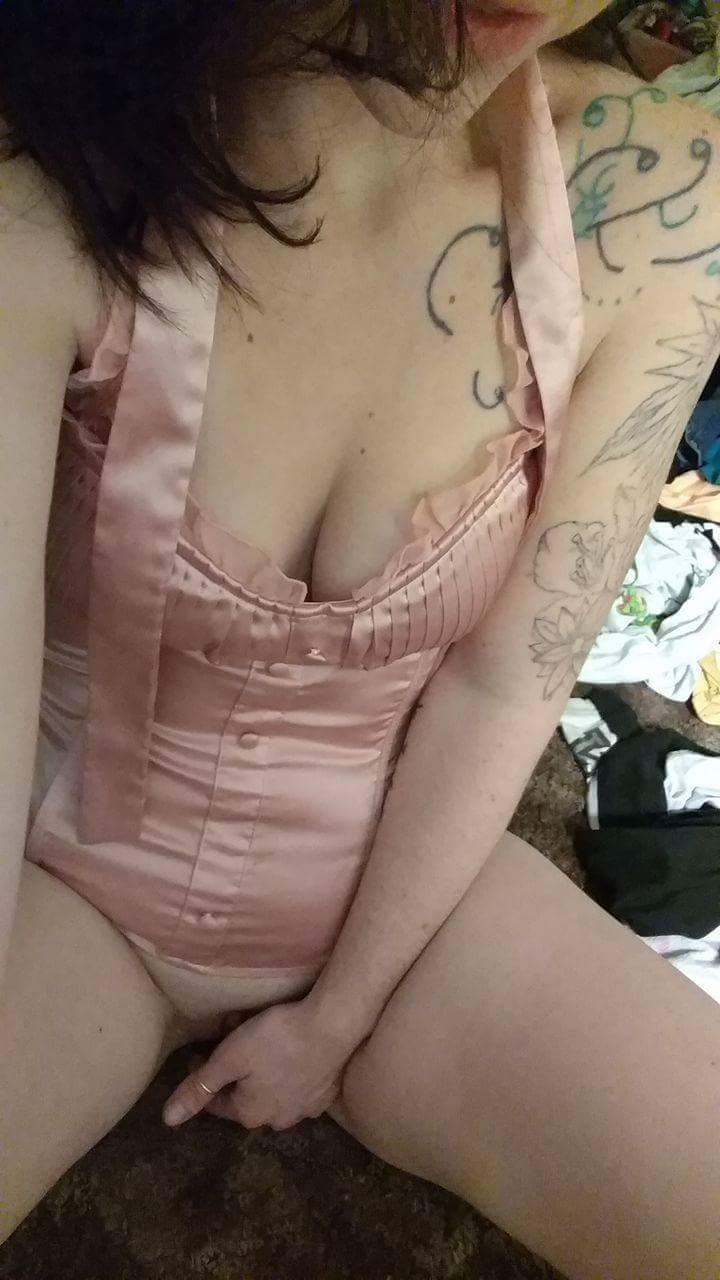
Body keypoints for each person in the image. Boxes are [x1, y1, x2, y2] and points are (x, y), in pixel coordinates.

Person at [1, 2, 719, 1275]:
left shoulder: (661, 201)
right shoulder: (52, 168)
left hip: (403, 895)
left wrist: (339, 1016)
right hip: (68, 877)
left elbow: (504, 682)